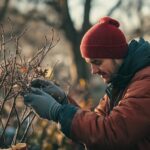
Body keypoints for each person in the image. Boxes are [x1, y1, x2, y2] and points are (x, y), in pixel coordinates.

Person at [23, 16, 150, 150]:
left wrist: (57, 112)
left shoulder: (145, 82)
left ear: (116, 55)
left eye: (97, 62)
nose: (93, 71)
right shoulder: (121, 80)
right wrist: (64, 102)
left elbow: (111, 133)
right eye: (90, 64)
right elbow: (97, 122)